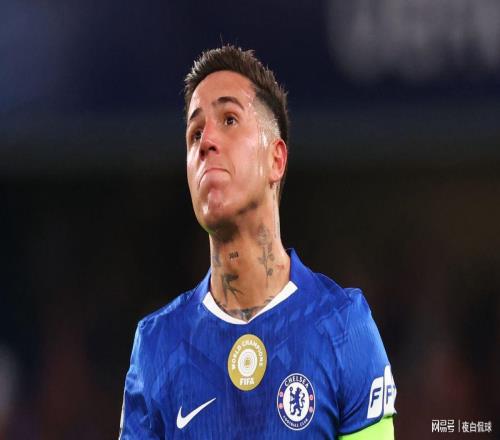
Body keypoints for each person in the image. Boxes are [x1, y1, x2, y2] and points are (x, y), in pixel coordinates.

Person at [119, 45, 396, 439]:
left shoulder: (344, 327)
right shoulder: (156, 347)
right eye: (195, 133)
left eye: (229, 119)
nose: (206, 141)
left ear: (276, 159)